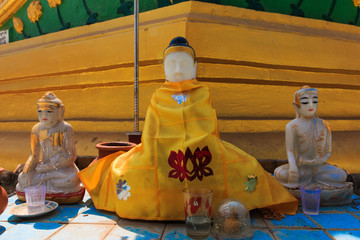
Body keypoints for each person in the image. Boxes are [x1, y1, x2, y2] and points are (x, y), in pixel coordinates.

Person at [79, 37, 298, 220]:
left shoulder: (203, 93)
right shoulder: (158, 96)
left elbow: (211, 131)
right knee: (125, 173)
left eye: (183, 64)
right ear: (163, 68)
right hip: (162, 156)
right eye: (171, 64)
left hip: (203, 154)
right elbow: (151, 136)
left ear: (194, 67)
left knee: (248, 167)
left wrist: (195, 145)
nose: (177, 69)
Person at [274, 86, 352, 204]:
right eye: (305, 102)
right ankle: (320, 190)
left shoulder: (324, 125)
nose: (311, 105)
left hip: (319, 168)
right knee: (279, 173)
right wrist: (293, 167)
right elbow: (290, 151)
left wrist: (321, 160)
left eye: (315, 101)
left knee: (341, 175)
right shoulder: (292, 126)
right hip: (301, 168)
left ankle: (305, 189)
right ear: (297, 105)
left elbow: (328, 150)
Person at [16, 92, 84, 203]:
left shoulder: (65, 128)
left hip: (61, 169)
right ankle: (45, 188)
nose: (43, 116)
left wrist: (50, 167)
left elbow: (71, 156)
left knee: (71, 180)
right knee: (22, 178)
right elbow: (34, 155)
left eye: (49, 111)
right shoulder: (36, 129)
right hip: (43, 168)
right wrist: (26, 170)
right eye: (40, 111)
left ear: (60, 111)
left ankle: (43, 188)